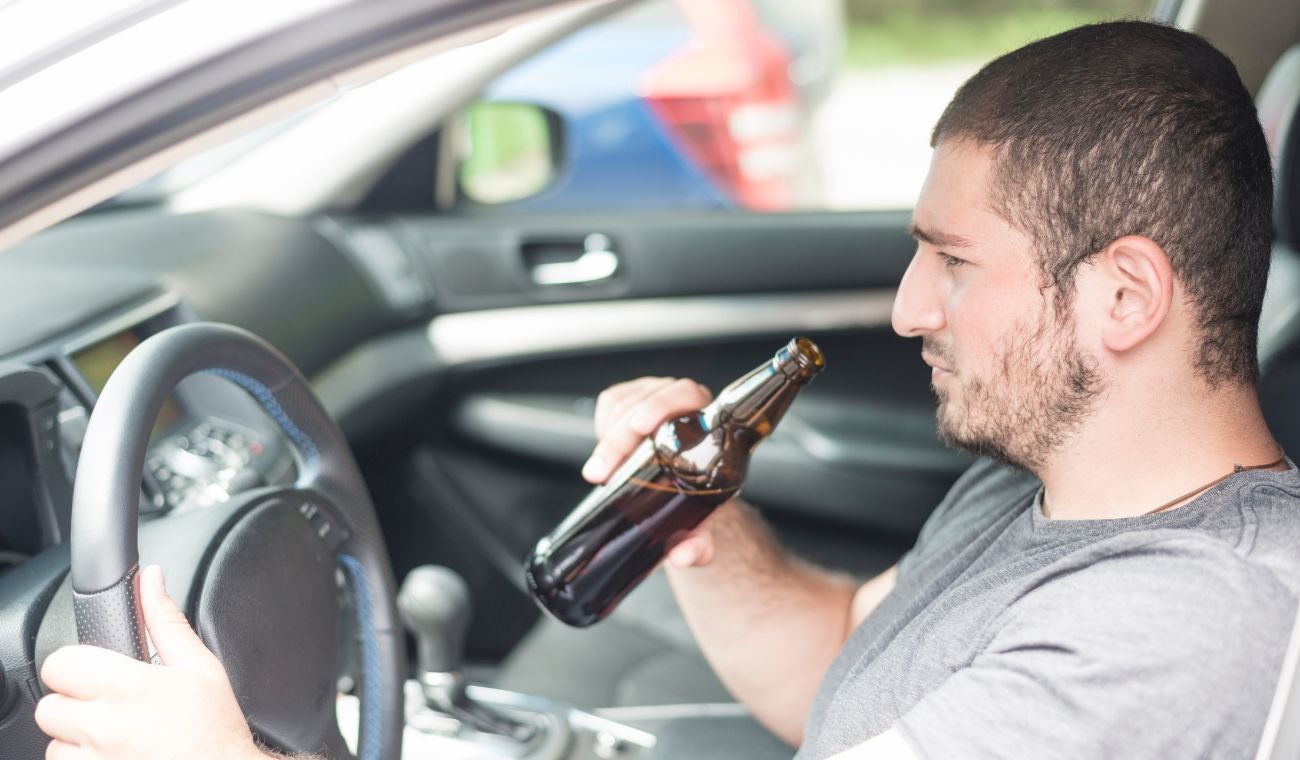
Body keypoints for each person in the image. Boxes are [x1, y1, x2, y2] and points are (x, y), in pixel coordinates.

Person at [33, 18, 1300, 760]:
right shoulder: (1032, 490)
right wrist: (699, 530)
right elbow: (841, 665)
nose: (910, 305)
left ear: (1123, 298)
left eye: (953, 261)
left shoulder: (1174, 631)